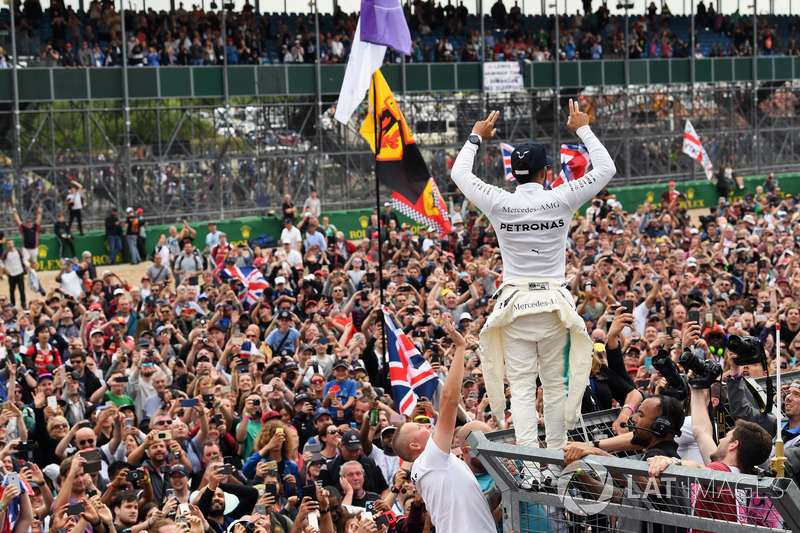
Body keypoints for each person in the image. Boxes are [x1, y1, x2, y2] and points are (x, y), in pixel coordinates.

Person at [449, 101, 616, 453]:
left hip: (515, 309)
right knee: (555, 386)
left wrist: (475, 138)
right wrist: (582, 128)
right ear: (544, 173)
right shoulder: (561, 197)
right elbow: (606, 168)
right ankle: (556, 454)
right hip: (555, 308)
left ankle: (529, 466)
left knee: (522, 389)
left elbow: (459, 175)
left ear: (515, 174)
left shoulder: (498, 202)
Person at [391, 313, 495, 533]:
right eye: (419, 427)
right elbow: (448, 401)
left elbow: (478, 506)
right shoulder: (429, 459)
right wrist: (460, 348)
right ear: (415, 447)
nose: (427, 425)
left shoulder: (436, 464)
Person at [0, 239, 28, 308]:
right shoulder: (6, 253)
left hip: (19, 272)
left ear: (13, 243)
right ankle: (13, 304)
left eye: (11, 243)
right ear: (7, 245)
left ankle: (23, 304)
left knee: (21, 289)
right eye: (8, 243)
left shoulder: (18, 251)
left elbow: (23, 259)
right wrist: (5, 269)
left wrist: (27, 266)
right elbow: (1, 261)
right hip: (11, 274)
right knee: (12, 290)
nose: (10, 245)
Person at [13, 205, 43, 270]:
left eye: (30, 222)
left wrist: (40, 213)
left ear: (31, 223)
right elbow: (18, 221)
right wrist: (15, 213)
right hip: (26, 248)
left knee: (34, 262)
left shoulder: (35, 228)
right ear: (26, 223)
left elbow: (38, 220)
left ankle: (33, 273)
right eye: (28, 223)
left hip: (34, 248)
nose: (29, 223)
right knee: (25, 260)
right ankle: (27, 272)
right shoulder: (24, 229)